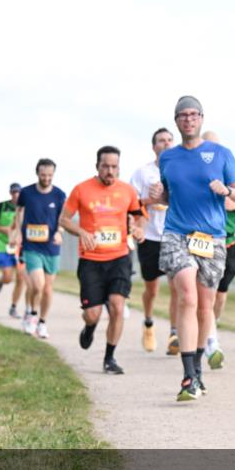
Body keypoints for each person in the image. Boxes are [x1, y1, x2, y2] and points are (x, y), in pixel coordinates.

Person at [152, 96, 235, 400]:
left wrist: (227, 190)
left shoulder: (221, 154)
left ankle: (198, 373)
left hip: (212, 238)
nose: (189, 120)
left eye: (194, 115)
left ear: (202, 118)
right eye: (183, 115)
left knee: (205, 306)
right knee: (187, 296)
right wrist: (159, 195)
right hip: (177, 234)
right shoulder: (168, 157)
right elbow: (170, 196)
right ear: (177, 120)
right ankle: (187, 376)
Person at [60, 146, 146, 374]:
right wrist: (81, 232)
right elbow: (64, 219)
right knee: (93, 313)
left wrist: (138, 230)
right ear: (97, 166)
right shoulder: (81, 190)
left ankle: (110, 358)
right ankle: (89, 327)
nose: (110, 171)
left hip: (119, 258)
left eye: (114, 167)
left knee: (117, 307)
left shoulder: (127, 191)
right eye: (105, 166)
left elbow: (139, 216)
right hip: (91, 260)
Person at [201, 129, 235, 369]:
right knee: (208, 293)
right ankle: (211, 341)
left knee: (220, 296)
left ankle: (210, 328)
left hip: (229, 242)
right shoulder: (196, 174)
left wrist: (234, 202)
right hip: (203, 242)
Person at [130, 128, 180, 354]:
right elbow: (131, 204)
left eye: (170, 140)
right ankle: (148, 323)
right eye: (161, 141)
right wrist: (149, 199)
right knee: (152, 289)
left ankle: (174, 334)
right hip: (150, 237)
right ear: (154, 146)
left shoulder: (181, 171)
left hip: (175, 235)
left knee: (176, 287)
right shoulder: (142, 173)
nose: (166, 143)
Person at [11, 159, 67, 339]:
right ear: (37, 174)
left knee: (48, 289)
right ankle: (32, 315)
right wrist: (18, 232)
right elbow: (19, 213)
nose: (46, 178)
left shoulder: (59, 195)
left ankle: (42, 322)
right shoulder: (26, 193)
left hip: (51, 247)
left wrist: (59, 232)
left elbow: (63, 218)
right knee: (38, 285)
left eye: (50, 175)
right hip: (31, 245)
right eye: (43, 175)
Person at [0, 183, 27, 318]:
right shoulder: (2, 206)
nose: (16, 195)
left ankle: (13, 307)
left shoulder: (26, 207)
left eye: (18, 192)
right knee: (7, 277)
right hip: (3, 245)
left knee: (21, 277)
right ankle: (2, 281)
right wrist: (3, 229)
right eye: (13, 192)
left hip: (20, 247)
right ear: (10, 193)